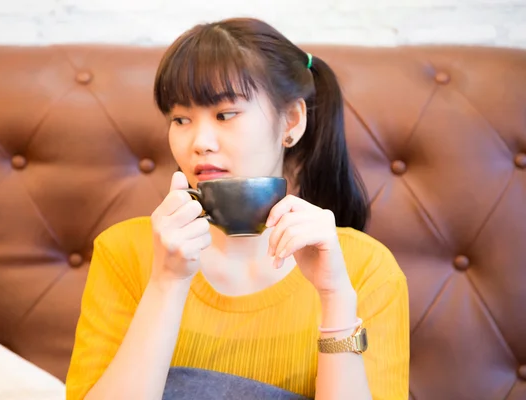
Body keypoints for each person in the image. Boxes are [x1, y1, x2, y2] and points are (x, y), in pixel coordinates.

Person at [66, 17, 409, 400]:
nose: (200, 142)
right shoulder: (124, 251)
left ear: (291, 121)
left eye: (225, 115)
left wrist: (335, 299)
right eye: (180, 119)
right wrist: (167, 282)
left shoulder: (366, 269)